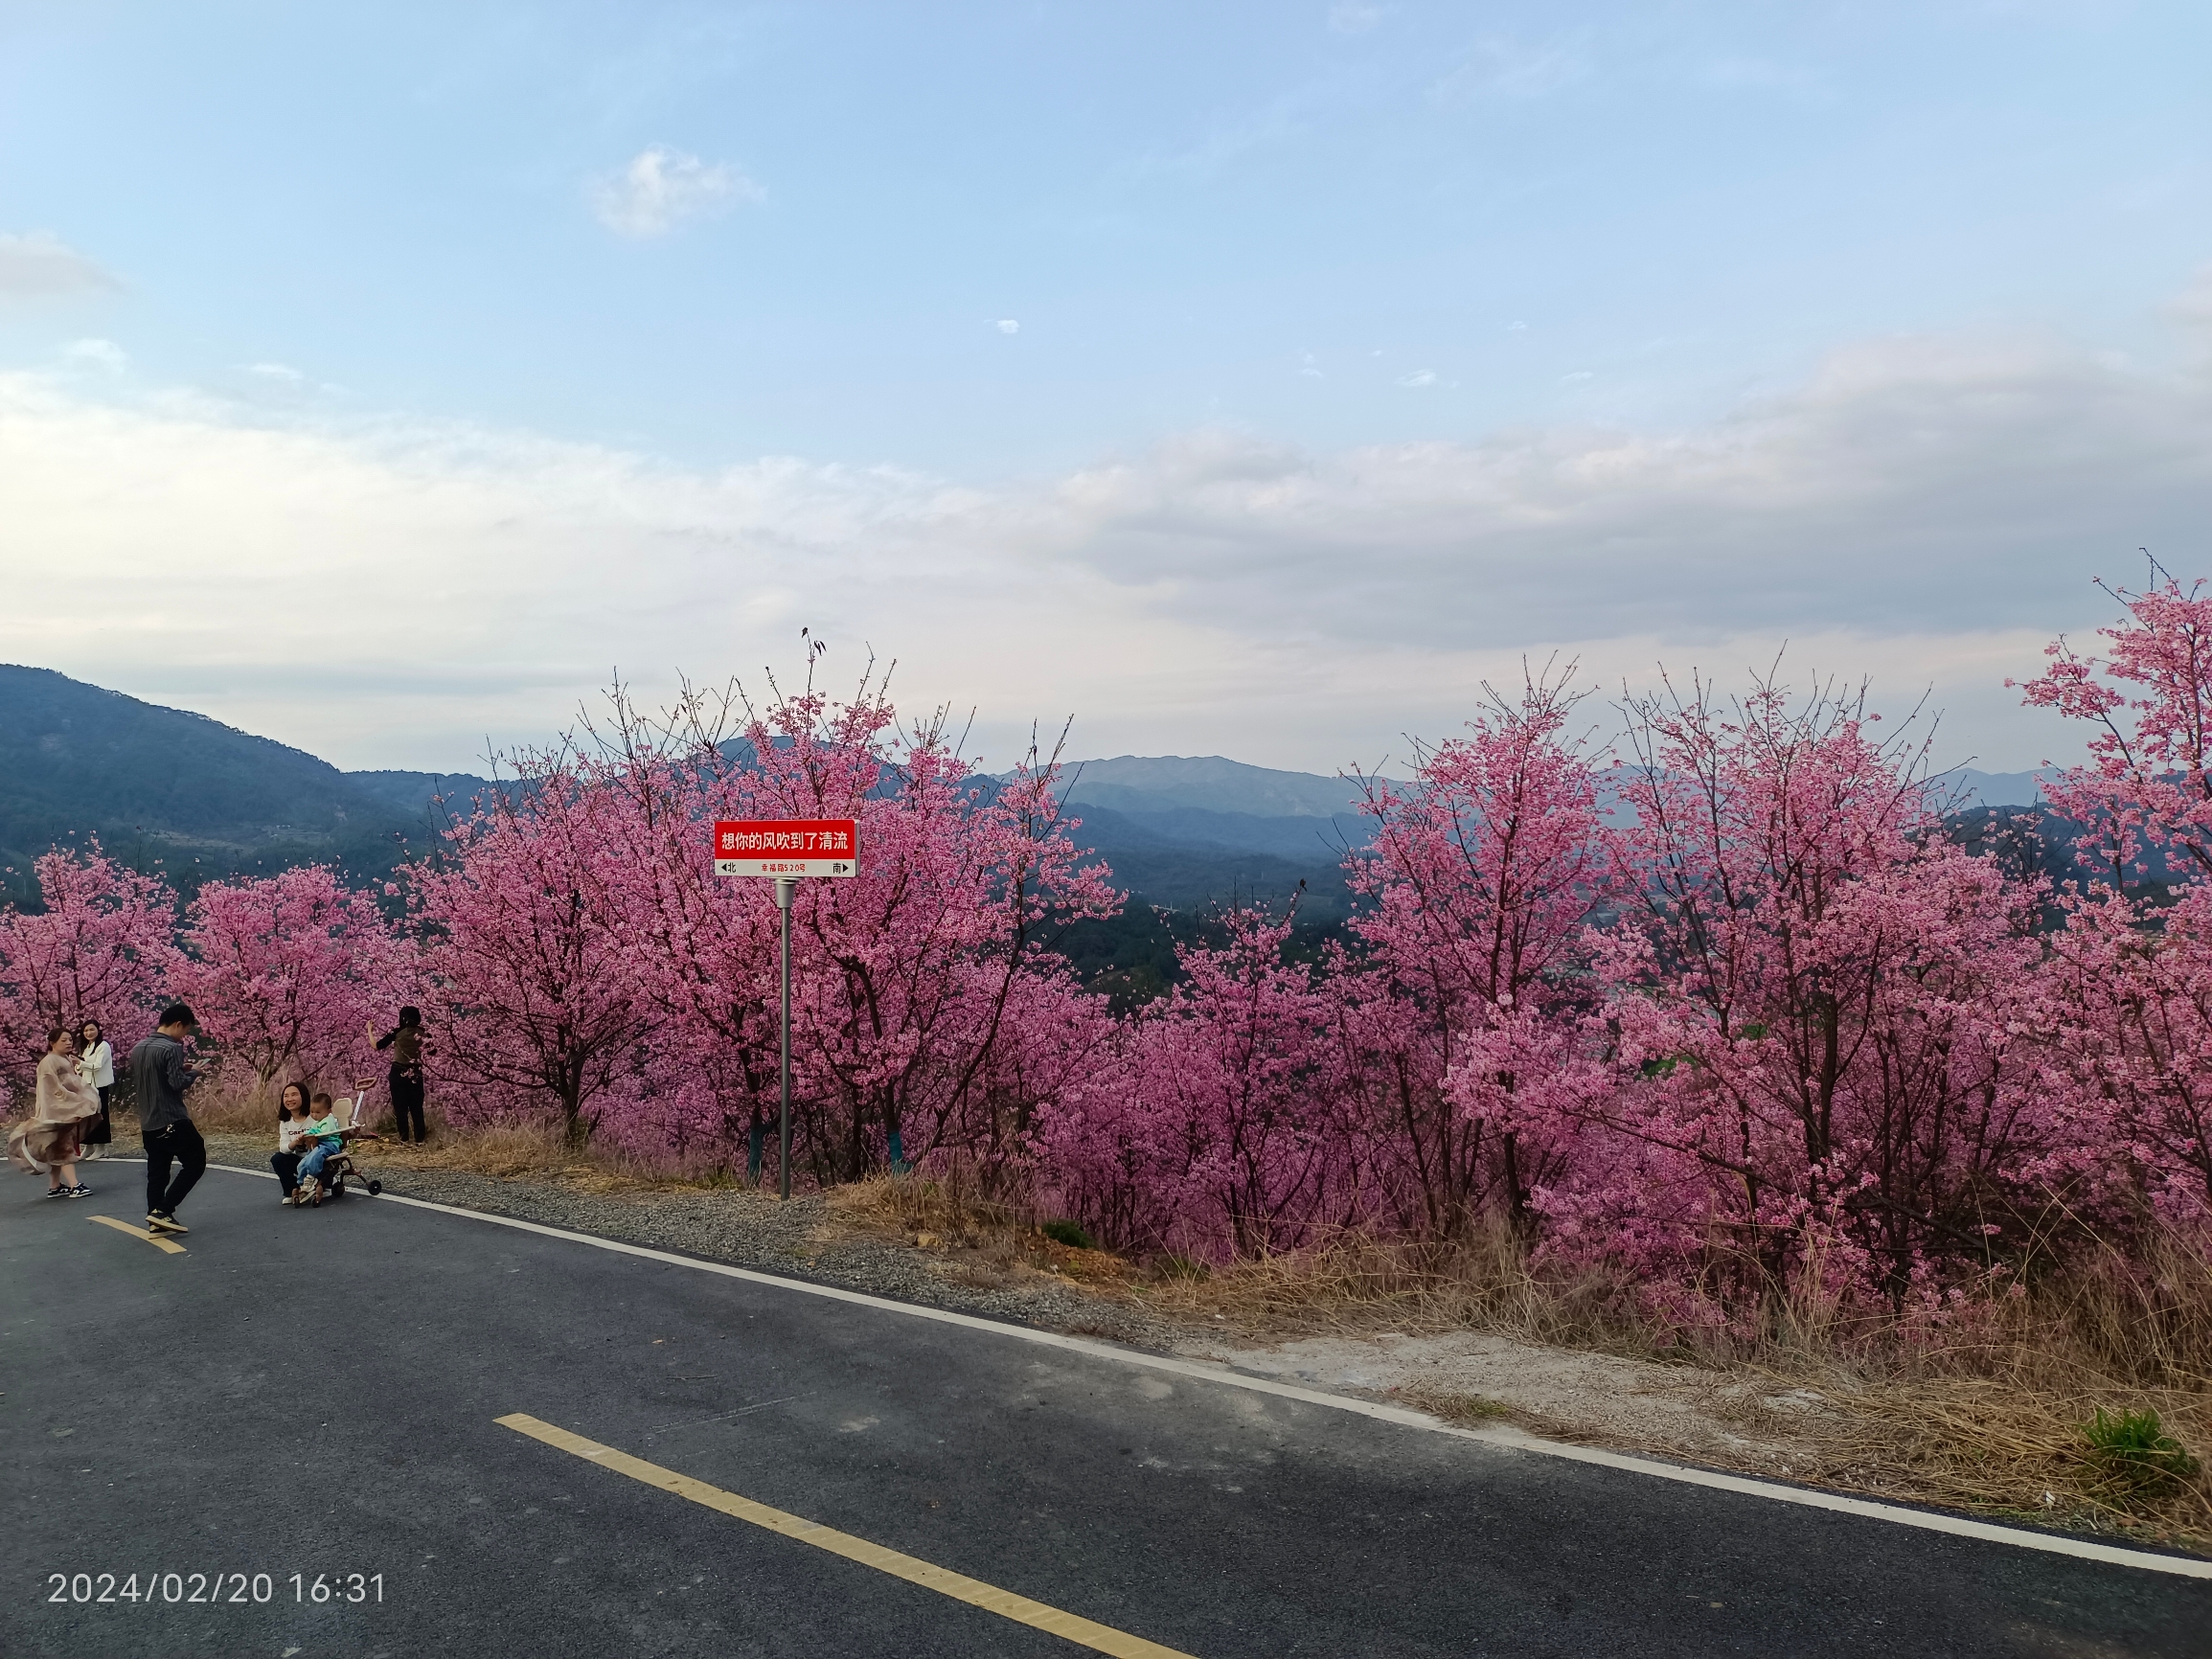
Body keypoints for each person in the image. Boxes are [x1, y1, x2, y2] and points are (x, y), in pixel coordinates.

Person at [129, 1003, 206, 1235]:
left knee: (158, 1172)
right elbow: (176, 1084)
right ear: (177, 1024)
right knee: (195, 1162)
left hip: (148, 1121)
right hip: (172, 1118)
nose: (184, 1036)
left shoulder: (139, 1048)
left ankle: (155, 1218)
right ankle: (164, 1210)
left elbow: (155, 1076)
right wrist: (193, 1073)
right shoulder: (171, 1048)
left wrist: (180, 1068)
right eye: (186, 1030)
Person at [8, 1027, 101, 1196]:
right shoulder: (50, 1061)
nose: (68, 1043)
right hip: (57, 1111)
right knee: (63, 1148)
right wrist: (76, 1103)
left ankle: (55, 1186)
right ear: (52, 1043)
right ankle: (74, 1186)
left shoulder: (62, 1059)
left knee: (56, 1148)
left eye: (70, 1040)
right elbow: (54, 1089)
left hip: (60, 1110)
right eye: (63, 1040)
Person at [371, 1007, 428, 1143]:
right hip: (416, 1073)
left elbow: (376, 1046)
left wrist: (369, 1030)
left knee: (401, 1109)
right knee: (417, 1109)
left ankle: (404, 1140)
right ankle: (420, 1140)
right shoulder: (424, 1033)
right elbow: (432, 1051)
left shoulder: (396, 1032)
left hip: (398, 1072)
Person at [76, 1018, 114, 1161]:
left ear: (98, 1030)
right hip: (87, 1085)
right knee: (87, 1116)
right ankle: (88, 1146)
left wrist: (80, 1063)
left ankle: (101, 1148)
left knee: (101, 1115)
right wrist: (77, 1064)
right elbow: (80, 1067)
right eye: (86, 1030)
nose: (89, 1033)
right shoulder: (87, 1047)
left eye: (92, 1029)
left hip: (100, 1085)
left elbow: (97, 1066)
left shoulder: (103, 1046)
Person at [270, 1080, 312, 1202]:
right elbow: (283, 1147)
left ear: (303, 1096)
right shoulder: (285, 1122)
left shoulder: (315, 1116)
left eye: (294, 1095)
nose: (290, 1099)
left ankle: (325, 1184)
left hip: (318, 1158)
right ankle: (292, 1191)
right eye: (286, 1096)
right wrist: (294, 1143)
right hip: (300, 1161)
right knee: (277, 1158)